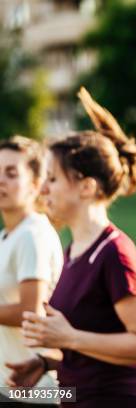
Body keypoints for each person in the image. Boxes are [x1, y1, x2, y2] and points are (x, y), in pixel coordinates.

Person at [9, 88, 136, 407]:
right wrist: (46, 363)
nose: (43, 189)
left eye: (52, 179)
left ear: (86, 187)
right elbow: (90, 345)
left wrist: (69, 338)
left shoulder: (114, 252)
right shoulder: (73, 252)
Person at [0, 136, 62, 407]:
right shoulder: (7, 235)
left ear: (36, 185)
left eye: (11, 173)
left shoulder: (32, 234)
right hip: (9, 386)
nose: (1, 180)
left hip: (38, 391)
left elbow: (31, 311)